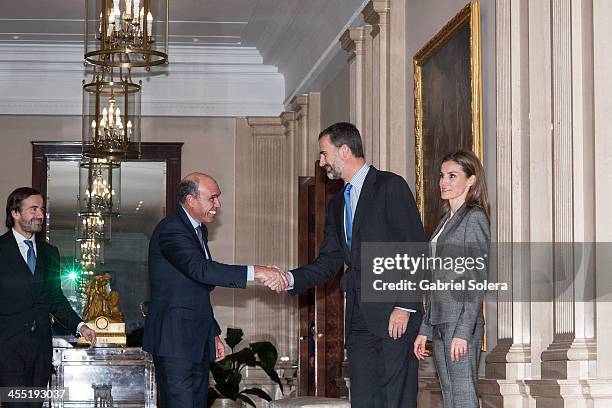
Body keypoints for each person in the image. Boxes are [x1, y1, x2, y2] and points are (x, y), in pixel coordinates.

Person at [276, 122, 425, 408]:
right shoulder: (336, 205)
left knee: (396, 400)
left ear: (344, 151)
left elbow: (414, 248)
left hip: (394, 311)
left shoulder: (389, 186)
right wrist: (289, 279)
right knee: (364, 399)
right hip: (357, 316)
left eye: (324, 154)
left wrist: (405, 306)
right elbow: (329, 262)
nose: (321, 162)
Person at [143, 172, 288, 408]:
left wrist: (213, 332)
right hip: (174, 340)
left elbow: (195, 287)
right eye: (213, 198)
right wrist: (257, 271)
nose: (218, 205)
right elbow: (201, 270)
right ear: (191, 199)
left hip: (196, 338)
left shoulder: (199, 230)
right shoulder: (171, 229)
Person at [0, 187, 96, 406]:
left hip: (40, 352)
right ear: (15, 213)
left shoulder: (50, 252)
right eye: (33, 209)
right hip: (7, 351)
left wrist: (80, 326)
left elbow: (56, 298)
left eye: (42, 209)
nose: (40, 215)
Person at [413, 149, 490, 408]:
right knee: (450, 398)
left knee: (464, 398)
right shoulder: (446, 221)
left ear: (471, 180)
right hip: (440, 323)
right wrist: (425, 330)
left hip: (460, 324)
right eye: (442, 175)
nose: (443, 182)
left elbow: (476, 280)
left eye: (452, 176)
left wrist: (463, 332)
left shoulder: (475, 218)